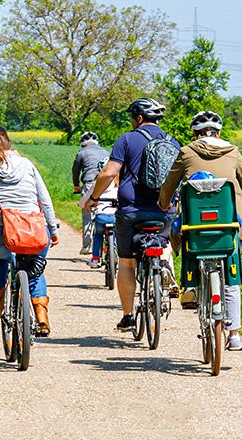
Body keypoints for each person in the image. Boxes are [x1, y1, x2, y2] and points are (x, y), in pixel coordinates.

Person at [158, 110, 242, 351]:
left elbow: (169, 184)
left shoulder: (186, 152)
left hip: (196, 225)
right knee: (232, 275)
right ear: (219, 132)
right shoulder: (233, 151)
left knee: (189, 240)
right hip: (230, 223)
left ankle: (191, 287)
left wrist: (164, 204)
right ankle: (234, 334)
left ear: (195, 133)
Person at [86, 98, 180, 332]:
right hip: (165, 211)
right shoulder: (173, 142)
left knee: (127, 262)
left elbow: (109, 172)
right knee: (162, 242)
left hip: (132, 211)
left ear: (138, 118)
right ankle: (164, 267)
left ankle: (128, 316)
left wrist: (94, 198)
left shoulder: (126, 139)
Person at [0, 125, 59, 336]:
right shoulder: (27, 165)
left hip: (1, 231)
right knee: (36, 270)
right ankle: (42, 316)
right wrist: (52, 230)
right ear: (8, 142)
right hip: (35, 229)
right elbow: (45, 200)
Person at [72, 131, 109, 255]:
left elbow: (75, 171)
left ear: (83, 143)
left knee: (88, 214)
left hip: (89, 184)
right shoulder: (105, 152)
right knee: (107, 210)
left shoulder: (81, 153)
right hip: (106, 184)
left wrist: (76, 186)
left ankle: (87, 246)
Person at [78, 158, 118, 268]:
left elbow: (86, 198)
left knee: (98, 234)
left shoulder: (97, 183)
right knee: (117, 234)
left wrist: (82, 204)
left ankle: (95, 259)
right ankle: (118, 255)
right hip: (115, 217)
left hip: (101, 216)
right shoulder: (118, 184)